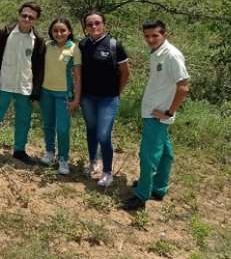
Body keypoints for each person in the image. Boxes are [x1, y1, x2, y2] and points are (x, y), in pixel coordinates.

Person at [122, 20, 190, 211]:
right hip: (153, 110)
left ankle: (141, 195)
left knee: (148, 154)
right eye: (147, 36)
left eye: (155, 35)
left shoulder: (172, 55)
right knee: (166, 153)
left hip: (157, 114)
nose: (150, 39)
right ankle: (159, 188)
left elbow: (183, 87)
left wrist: (169, 112)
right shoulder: (156, 52)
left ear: (164, 34)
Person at [0, 2, 46, 165]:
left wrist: (36, 91)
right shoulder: (5, 32)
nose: (26, 19)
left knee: (23, 121)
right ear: (19, 15)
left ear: (36, 20)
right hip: (4, 84)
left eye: (31, 17)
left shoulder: (38, 41)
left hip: (25, 87)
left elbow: (40, 68)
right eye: (24, 15)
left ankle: (19, 151)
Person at [79, 11, 130, 187]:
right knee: (91, 130)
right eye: (90, 24)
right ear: (86, 27)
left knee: (103, 134)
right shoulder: (83, 44)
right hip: (87, 98)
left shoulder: (114, 45)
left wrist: (117, 91)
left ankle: (107, 172)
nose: (94, 27)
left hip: (108, 99)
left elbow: (125, 72)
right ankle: (93, 162)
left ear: (104, 24)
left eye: (97, 23)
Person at [40, 18, 81, 175]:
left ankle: (63, 158)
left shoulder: (74, 49)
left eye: (63, 30)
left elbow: (77, 77)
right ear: (51, 32)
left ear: (69, 31)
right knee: (48, 124)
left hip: (63, 95)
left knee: (63, 128)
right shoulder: (47, 46)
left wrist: (76, 99)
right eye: (55, 30)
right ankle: (50, 152)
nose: (59, 33)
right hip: (46, 92)